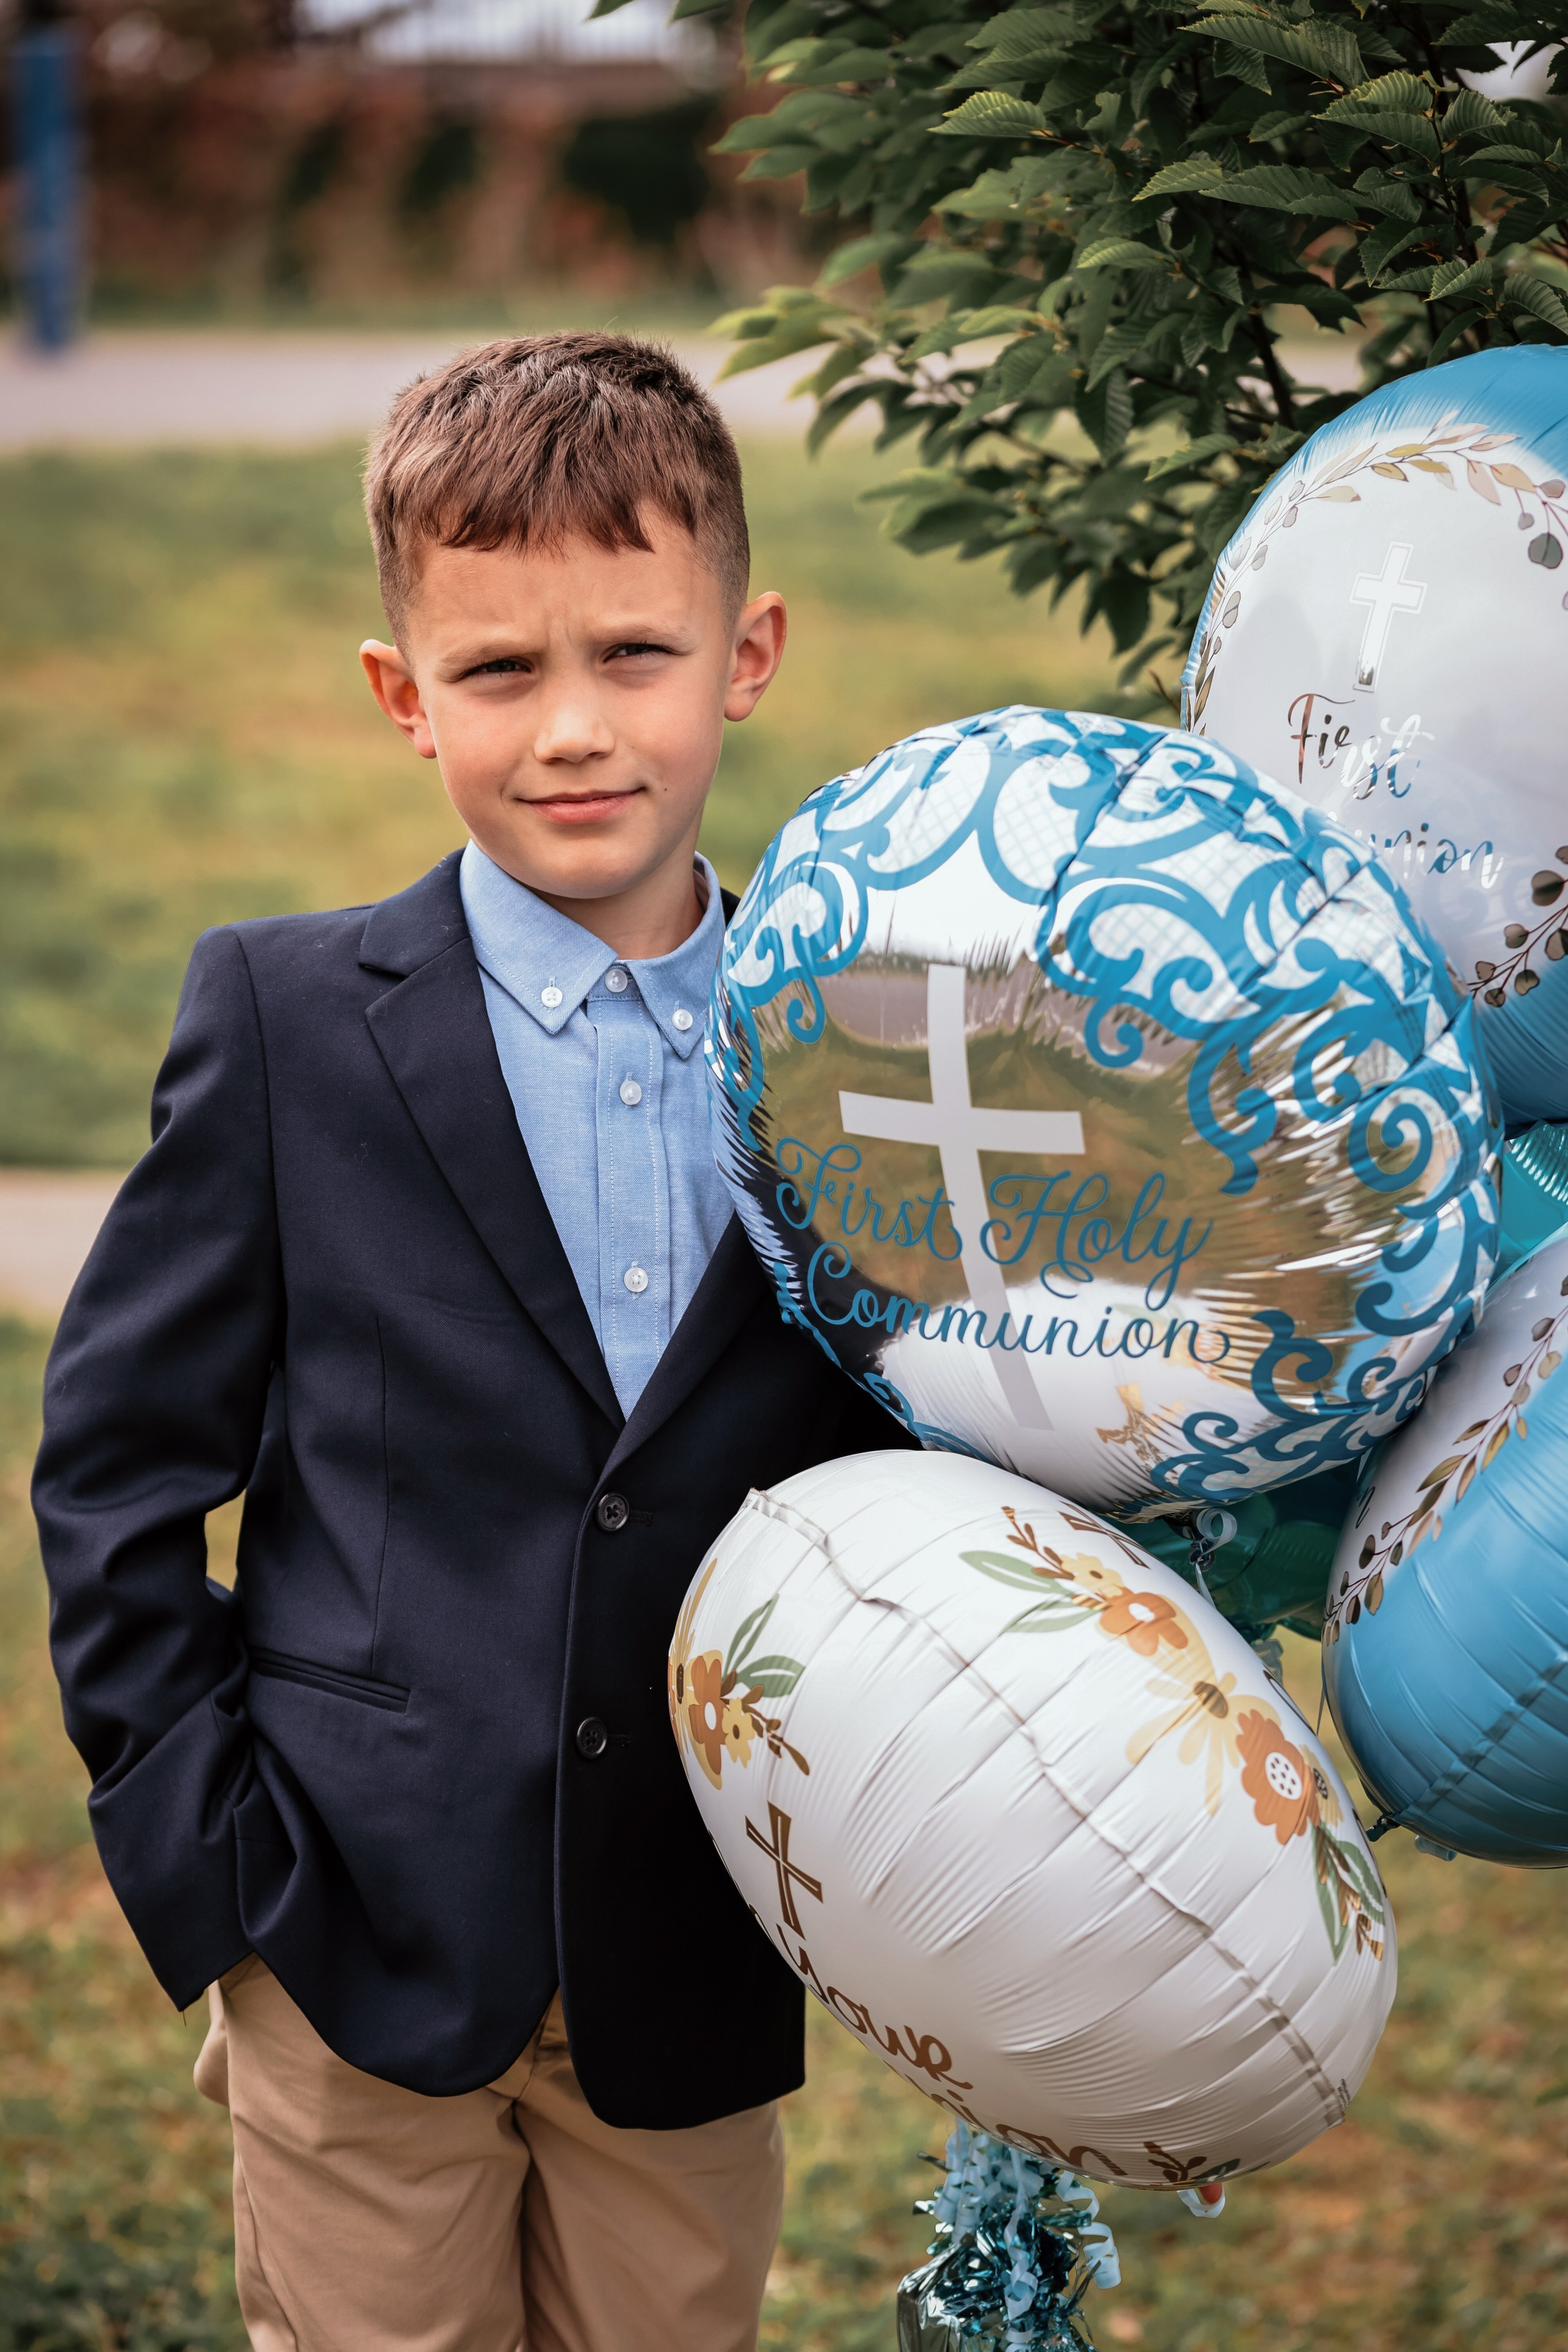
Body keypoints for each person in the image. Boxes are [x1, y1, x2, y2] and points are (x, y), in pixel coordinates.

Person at [32, 334, 914, 2352]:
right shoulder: (279, 1023)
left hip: (692, 1950)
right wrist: (212, 1870)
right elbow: (116, 1470)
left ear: (749, 650)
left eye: (636, 654)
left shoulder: (858, 1050)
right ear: (399, 693)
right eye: (500, 672)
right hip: (346, 1931)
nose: (575, 730)